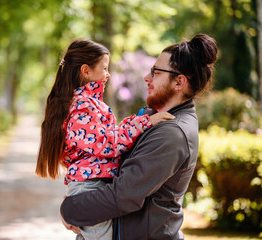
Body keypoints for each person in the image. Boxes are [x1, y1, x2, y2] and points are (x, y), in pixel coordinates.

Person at [60, 34, 218, 240]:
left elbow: (124, 196)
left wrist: (70, 208)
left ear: (179, 82)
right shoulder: (156, 118)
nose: (147, 78)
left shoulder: (172, 133)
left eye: (156, 72)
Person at [35, 39, 174, 240]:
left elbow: (108, 137)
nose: (108, 74)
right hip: (89, 186)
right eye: (105, 68)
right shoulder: (82, 107)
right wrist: (145, 122)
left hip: (93, 184)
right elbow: (108, 144)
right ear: (86, 71)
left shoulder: (89, 104)